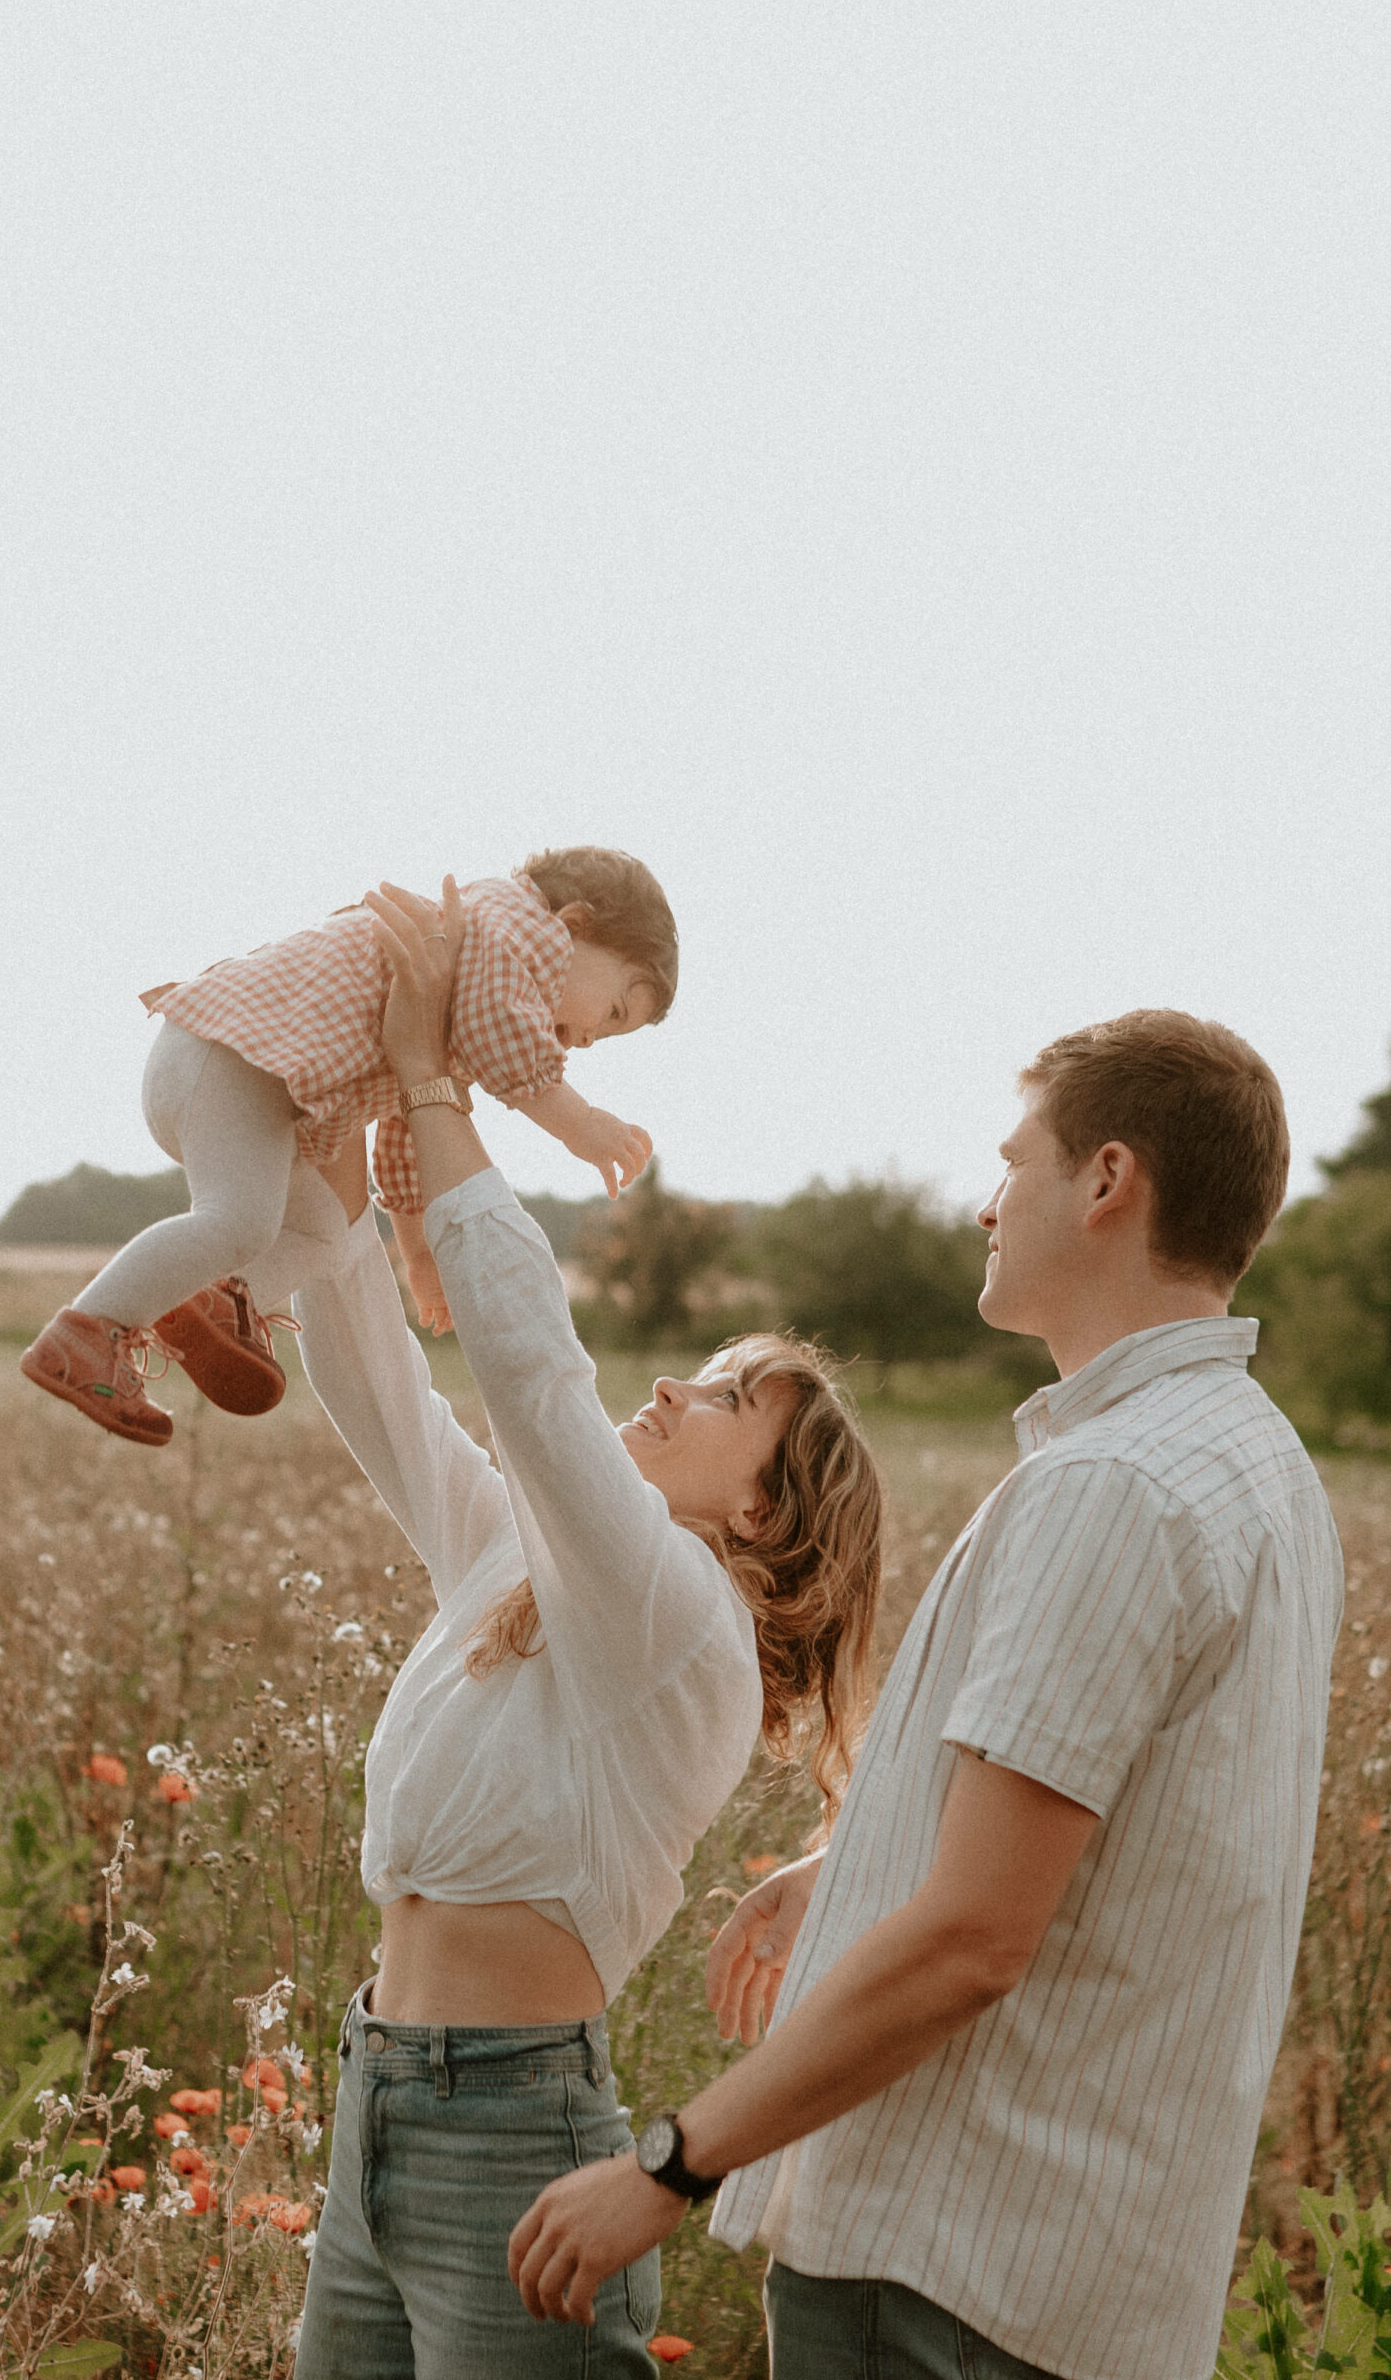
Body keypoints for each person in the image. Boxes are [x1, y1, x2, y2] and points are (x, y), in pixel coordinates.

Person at [509, 1009, 1344, 2380]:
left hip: (950, 2274)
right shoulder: (1252, 1461)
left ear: (1104, 1182)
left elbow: (971, 1940)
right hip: (1087, 2273)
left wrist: (666, 2166)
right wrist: (849, 1863)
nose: (982, 1202)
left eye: (1011, 1163)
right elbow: (1129, 1811)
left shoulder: (1106, 1488)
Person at [268, 879, 884, 2377]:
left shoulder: (683, 1632)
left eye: (730, 1402)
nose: (675, 1390)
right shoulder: (526, 1568)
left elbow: (534, 1376)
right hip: (375, 2096)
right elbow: (383, 1396)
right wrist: (329, 1159)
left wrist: (431, 1078)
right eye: (709, 1367)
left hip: (512, 2131)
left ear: (759, 1514)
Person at [18, 847, 675, 1446]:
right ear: (575, 924)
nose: (589, 1041)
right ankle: (86, 1332)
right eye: (614, 1011)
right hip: (228, 1058)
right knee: (239, 1220)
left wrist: (416, 1255)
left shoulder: (466, 987)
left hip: (250, 1090)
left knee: (318, 1229)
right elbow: (505, 1035)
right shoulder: (507, 927)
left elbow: (410, 1127)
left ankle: (221, 1298)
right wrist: (580, 1122)